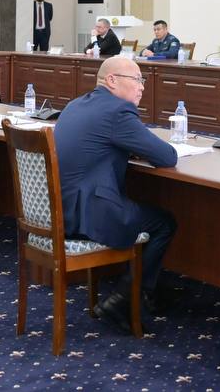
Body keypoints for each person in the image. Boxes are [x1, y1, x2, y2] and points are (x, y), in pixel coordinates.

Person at [55, 55, 178, 329]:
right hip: (87, 216)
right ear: (112, 80)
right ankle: (125, 297)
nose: (142, 87)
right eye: (137, 80)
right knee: (164, 222)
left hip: (58, 211)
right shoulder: (118, 111)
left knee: (141, 210)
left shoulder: (76, 104)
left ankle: (142, 294)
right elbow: (167, 156)